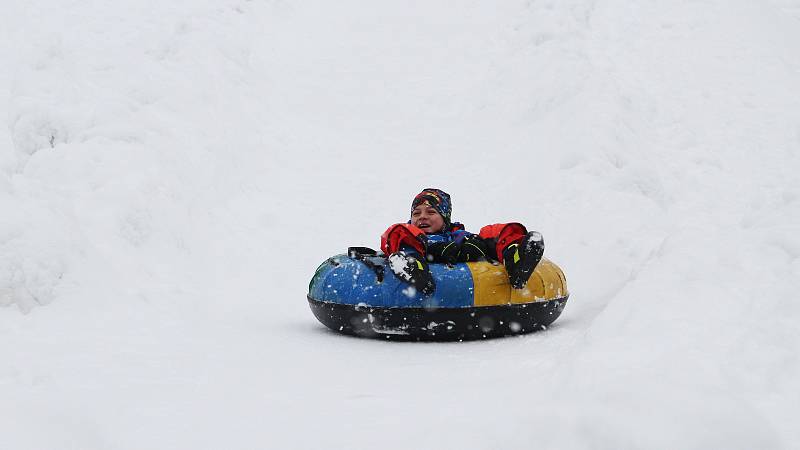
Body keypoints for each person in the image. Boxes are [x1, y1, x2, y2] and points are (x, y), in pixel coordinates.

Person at [380, 188, 544, 296]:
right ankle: (412, 265)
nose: (422, 216)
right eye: (416, 213)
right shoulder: (409, 233)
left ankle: (515, 260)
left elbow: (471, 243)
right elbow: (389, 244)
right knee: (400, 231)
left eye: (431, 212)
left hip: (457, 263)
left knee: (491, 232)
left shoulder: (456, 234)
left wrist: (473, 245)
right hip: (418, 256)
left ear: (445, 218)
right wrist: (433, 249)